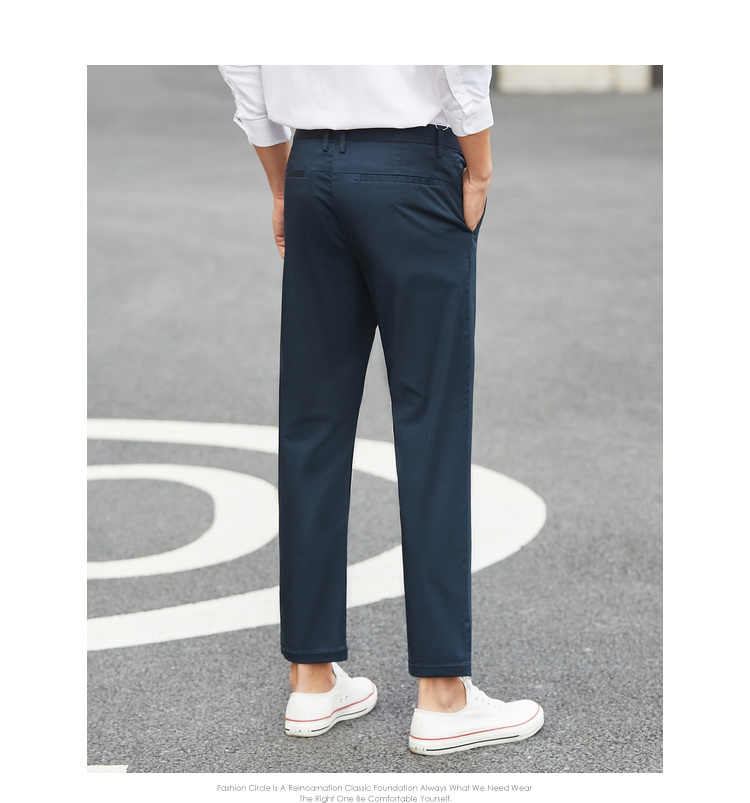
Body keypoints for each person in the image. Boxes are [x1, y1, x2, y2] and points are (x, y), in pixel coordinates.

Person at [219, 65, 543, 755]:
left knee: (312, 423)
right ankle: (443, 696)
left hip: (311, 168)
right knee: (431, 421)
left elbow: (240, 58)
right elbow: (457, 52)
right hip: (412, 168)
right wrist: (480, 162)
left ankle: (311, 679)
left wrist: (281, 180)